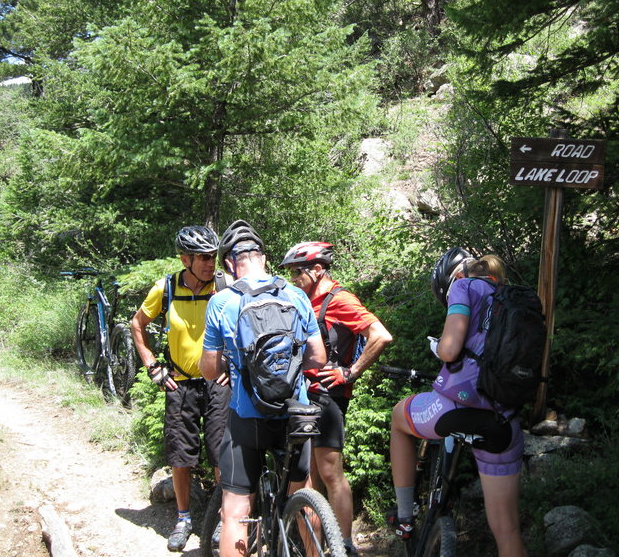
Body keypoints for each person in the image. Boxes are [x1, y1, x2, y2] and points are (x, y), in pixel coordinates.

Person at [199, 220, 327, 557]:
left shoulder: (222, 302)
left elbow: (209, 369)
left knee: (237, 510)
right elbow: (318, 357)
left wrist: (235, 364)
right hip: (296, 415)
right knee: (305, 497)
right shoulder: (297, 295)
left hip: (248, 419)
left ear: (229, 264)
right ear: (264, 257)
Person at [389, 248, 527, 557]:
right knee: (507, 530)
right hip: (504, 420)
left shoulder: (464, 287)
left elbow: (451, 350)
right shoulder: (509, 296)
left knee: (399, 418)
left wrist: (439, 348)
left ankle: (404, 516)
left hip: (456, 409)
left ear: (454, 278)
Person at [280, 241, 393, 556]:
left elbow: (380, 335)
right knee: (310, 479)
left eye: (296, 272)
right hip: (307, 395)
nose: (293, 279)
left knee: (330, 473)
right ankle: (314, 546)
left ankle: (344, 546)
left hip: (328, 397)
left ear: (317, 270)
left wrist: (351, 372)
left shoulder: (340, 299)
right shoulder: (307, 298)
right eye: (290, 273)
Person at [131, 225, 231, 552]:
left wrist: (235, 367)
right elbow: (137, 324)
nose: (209, 263)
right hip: (180, 382)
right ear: (185, 259)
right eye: (203, 257)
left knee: (221, 452)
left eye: (212, 256)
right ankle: (184, 517)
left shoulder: (224, 285)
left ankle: (222, 519)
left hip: (218, 382)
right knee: (180, 455)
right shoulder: (167, 288)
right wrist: (152, 366)